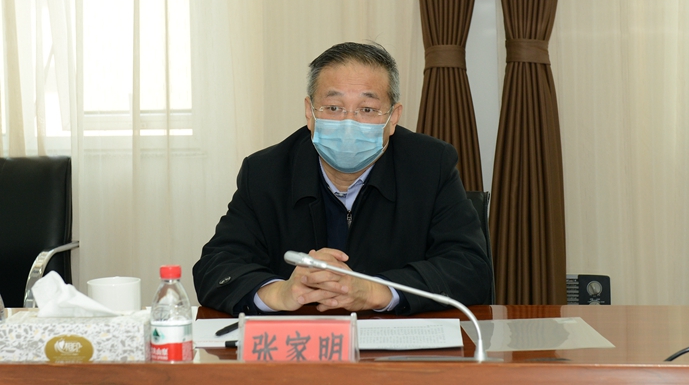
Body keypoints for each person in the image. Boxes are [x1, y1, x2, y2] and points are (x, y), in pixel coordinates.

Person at [193, 42, 491, 315]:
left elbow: (470, 268)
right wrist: (280, 292)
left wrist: (375, 291)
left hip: (394, 347)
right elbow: (215, 267)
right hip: (301, 345)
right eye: (334, 108)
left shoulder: (430, 165)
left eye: (367, 109)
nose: (349, 123)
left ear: (393, 118)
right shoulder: (265, 173)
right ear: (309, 112)